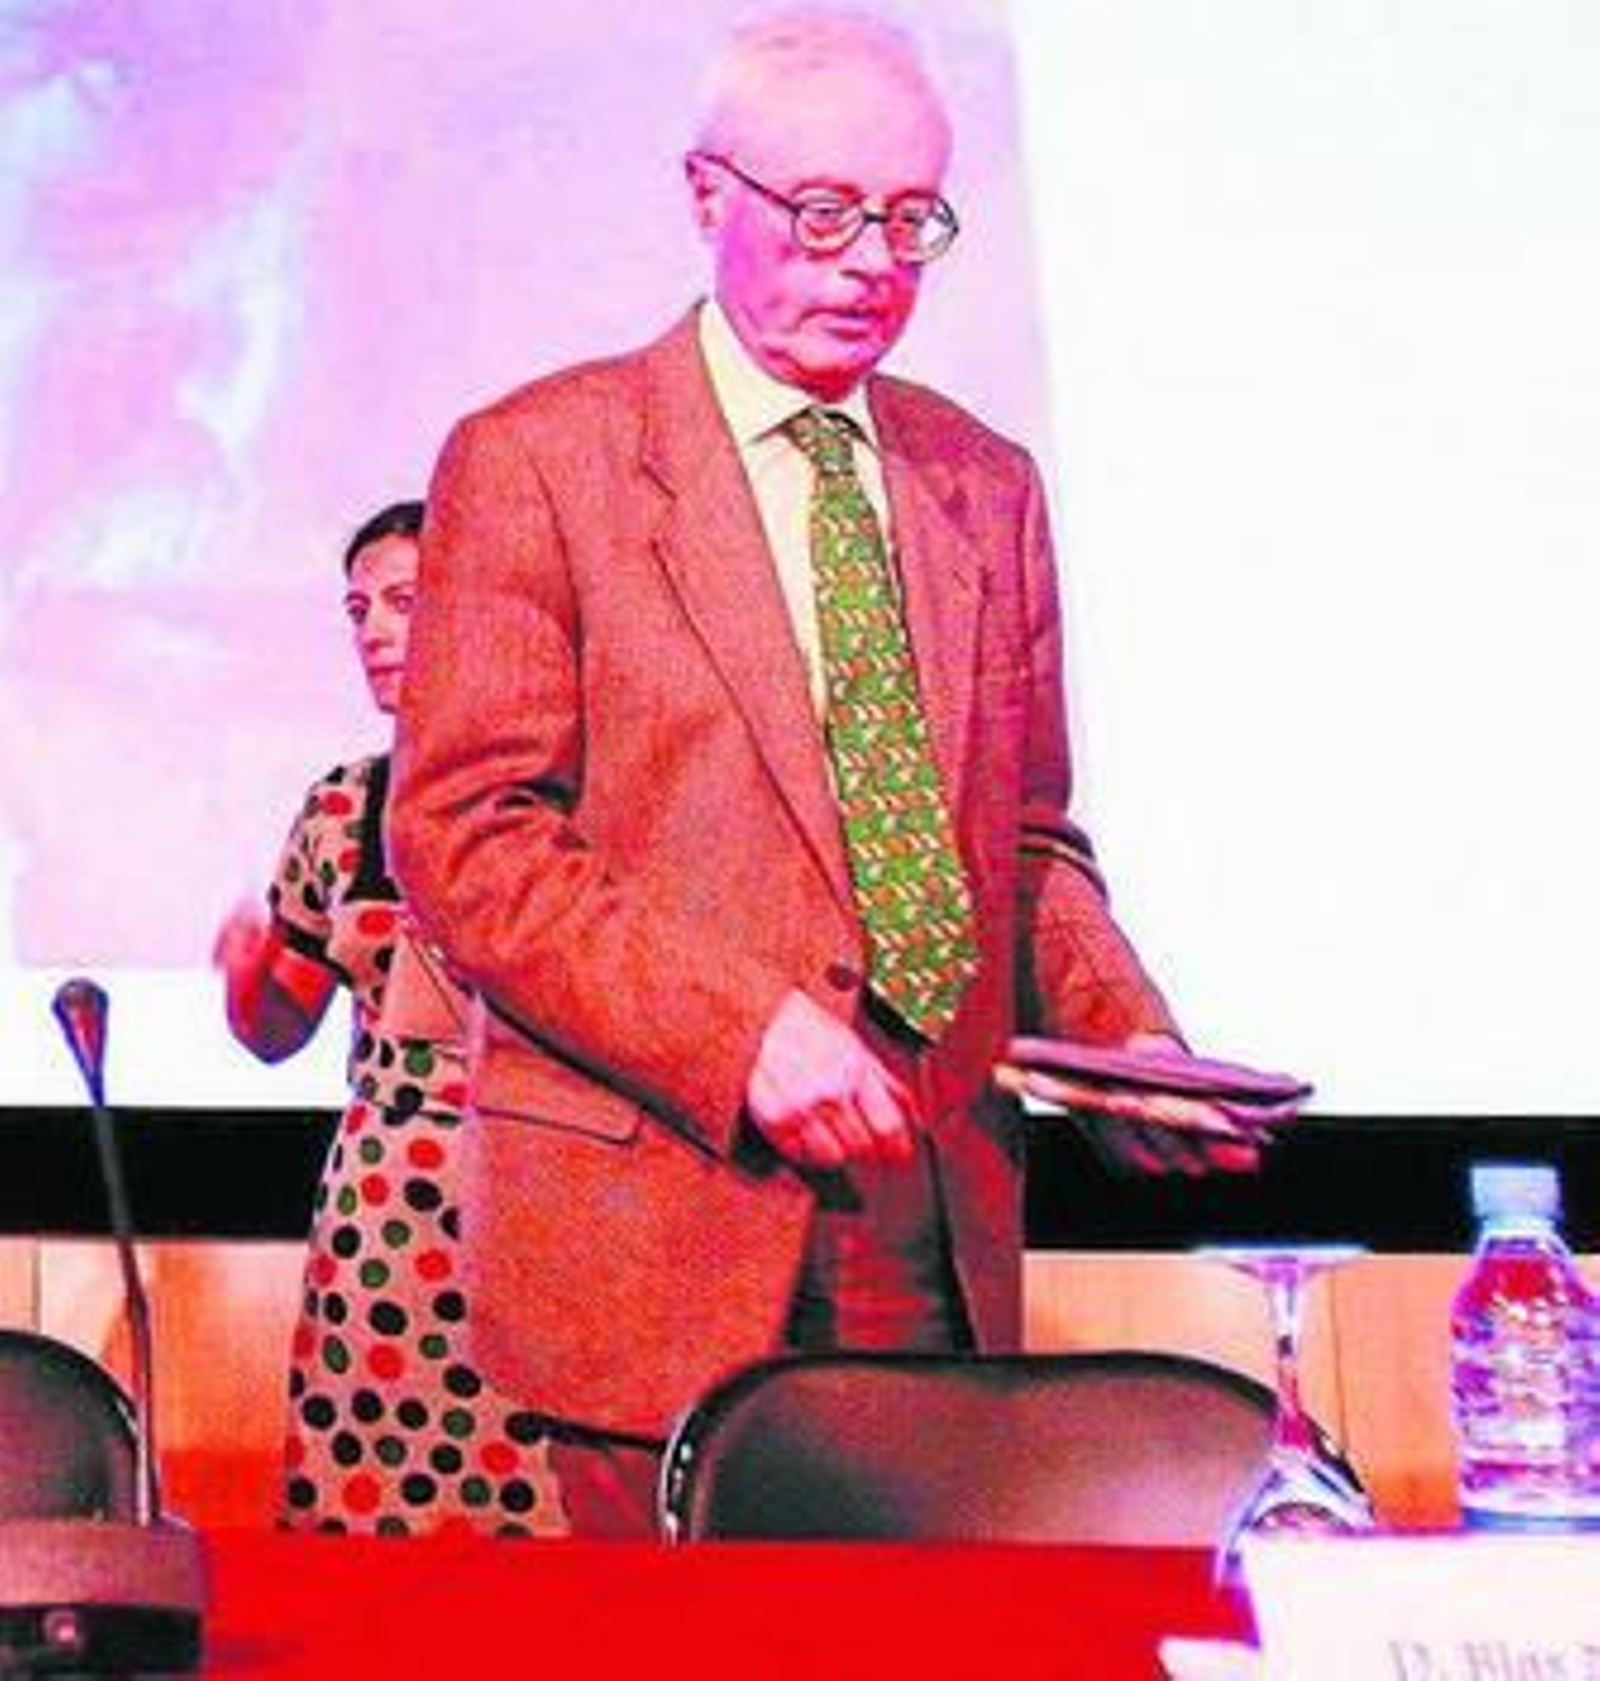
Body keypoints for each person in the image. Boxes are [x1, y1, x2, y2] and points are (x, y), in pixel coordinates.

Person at [388, 6, 1281, 1537]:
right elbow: (467, 837)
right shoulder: (542, 458)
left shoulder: (981, 482)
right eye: (824, 212)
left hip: (936, 1219)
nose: (872, 259)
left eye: (911, 220)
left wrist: (1129, 1050)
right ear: (706, 196)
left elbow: (1026, 849)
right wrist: (741, 1035)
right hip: (661, 1220)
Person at [213, 500, 566, 1536]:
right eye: (358, 608)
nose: (372, 628)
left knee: (554, 1525)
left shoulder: (570, 793)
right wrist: (244, 976)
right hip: (387, 1229)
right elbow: (278, 1028)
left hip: (544, 1203)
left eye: (405, 602)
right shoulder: (341, 808)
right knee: (368, 1534)